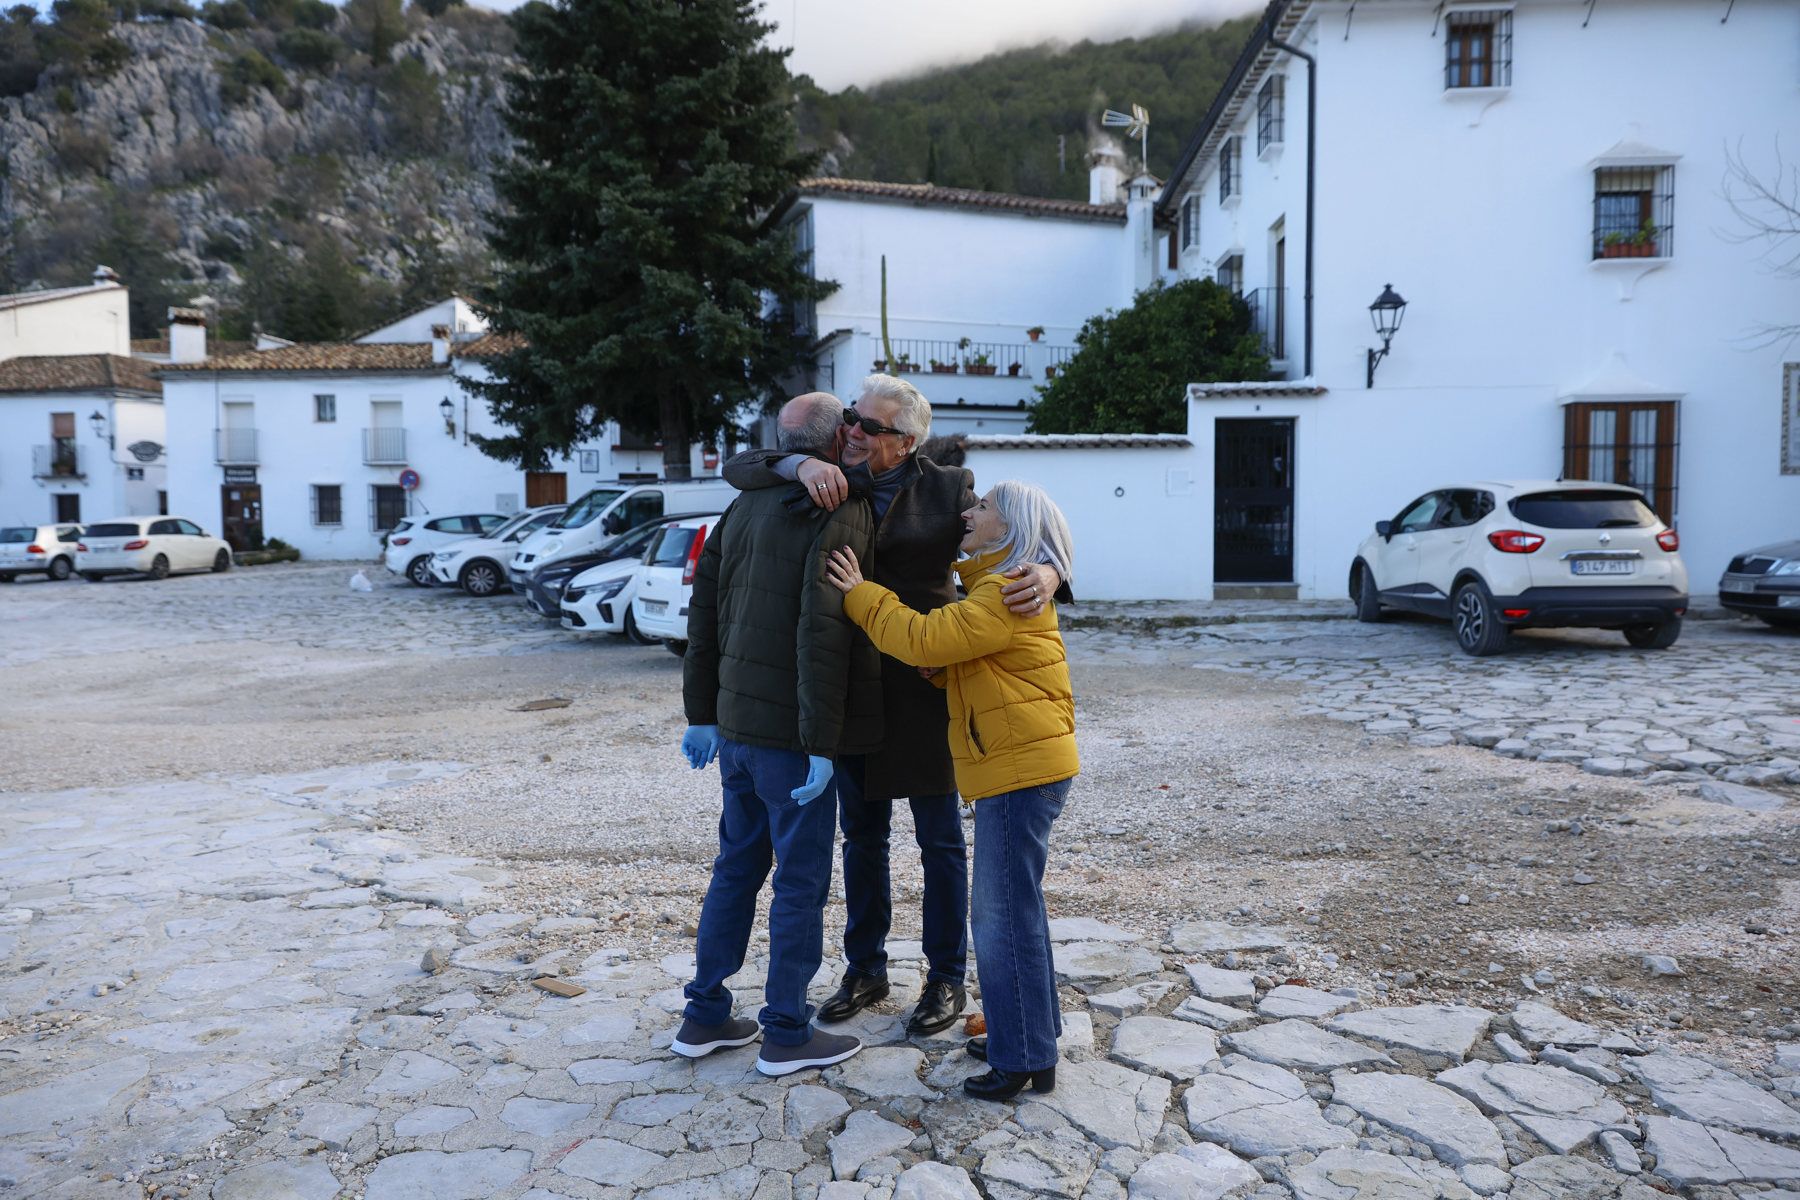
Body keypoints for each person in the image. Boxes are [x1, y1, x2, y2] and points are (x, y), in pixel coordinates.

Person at [723, 376, 1065, 1037]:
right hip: (851, 687)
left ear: (907, 440)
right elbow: (745, 467)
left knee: (940, 840)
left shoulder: (948, 487)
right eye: (851, 418)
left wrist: (1052, 574)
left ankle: (945, 978)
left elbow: (1022, 532)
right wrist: (797, 460)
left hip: (928, 684)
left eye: (869, 426)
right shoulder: (828, 474)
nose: (853, 430)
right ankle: (865, 968)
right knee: (863, 839)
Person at [824, 480, 1078, 1101]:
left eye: (985, 507)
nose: (970, 512)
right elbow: (973, 659)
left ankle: (1021, 1059)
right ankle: (1028, 1039)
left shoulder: (1001, 592)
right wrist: (953, 668)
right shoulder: (1005, 586)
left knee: (1001, 921)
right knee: (1019, 915)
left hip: (1019, 772)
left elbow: (919, 636)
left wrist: (860, 594)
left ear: (1011, 524)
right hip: (1022, 766)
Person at [671, 392, 884, 1077]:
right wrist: (823, 743)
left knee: (734, 868)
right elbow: (826, 634)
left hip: (734, 729)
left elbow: (703, 610)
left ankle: (703, 1013)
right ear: (829, 443)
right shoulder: (837, 507)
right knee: (798, 884)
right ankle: (786, 1031)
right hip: (791, 740)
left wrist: (700, 714)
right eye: (849, 420)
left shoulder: (742, 503)